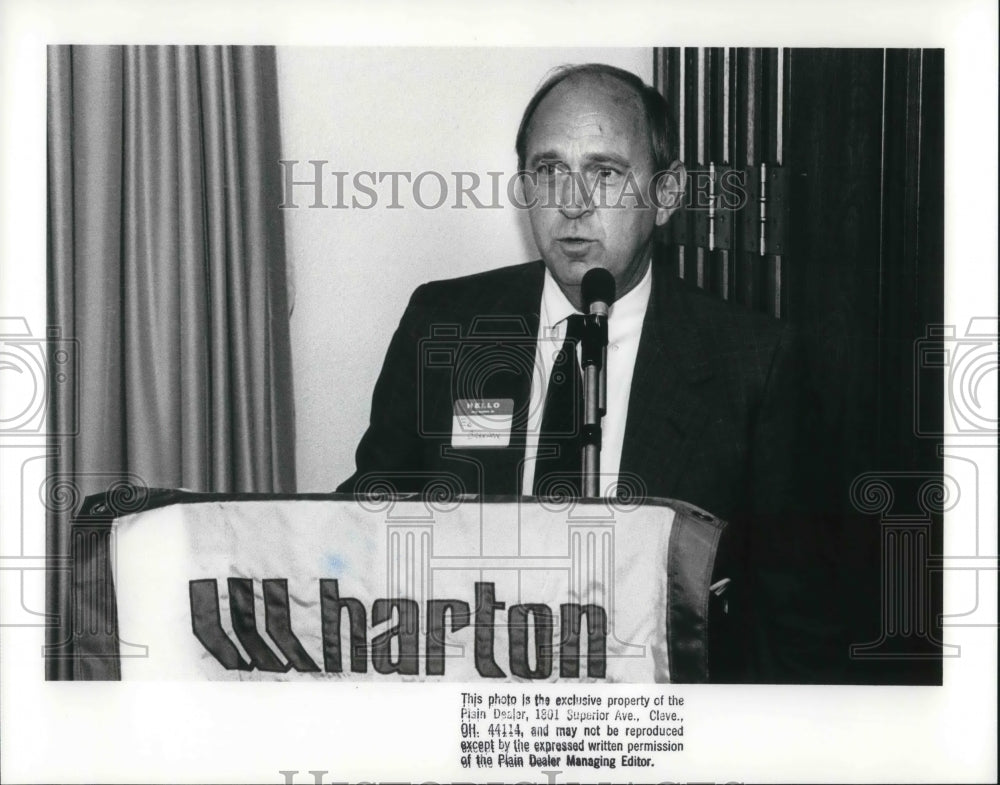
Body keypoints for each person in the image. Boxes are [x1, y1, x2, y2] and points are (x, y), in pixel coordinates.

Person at [338, 64, 837, 681]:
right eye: (549, 172)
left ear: (666, 193)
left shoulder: (754, 362)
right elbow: (364, 529)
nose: (572, 204)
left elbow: (800, 624)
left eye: (605, 173)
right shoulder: (446, 324)